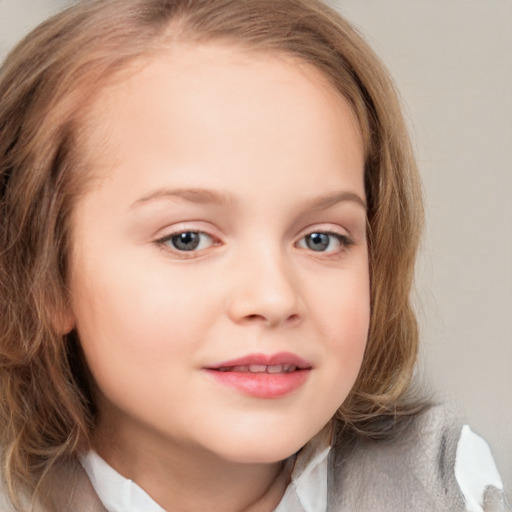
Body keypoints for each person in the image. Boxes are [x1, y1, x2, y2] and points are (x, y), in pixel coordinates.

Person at [0, 1, 509, 511]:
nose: (273, 297)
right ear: (43, 276)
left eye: (320, 238)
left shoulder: (442, 484)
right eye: (188, 239)